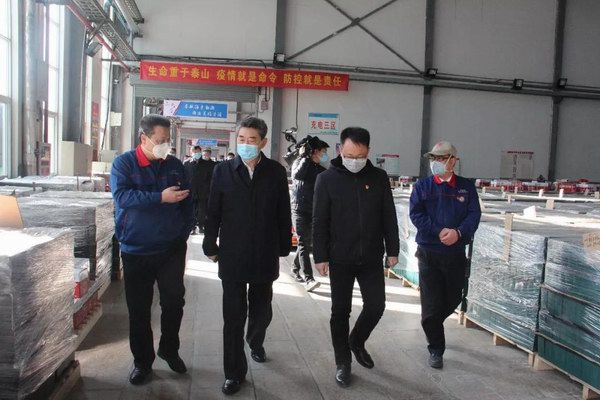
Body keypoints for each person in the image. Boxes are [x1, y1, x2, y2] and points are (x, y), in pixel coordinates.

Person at [203, 116, 292, 396]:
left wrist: (284, 245)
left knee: (261, 309)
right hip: (233, 252)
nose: (245, 144)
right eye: (241, 139)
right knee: (233, 315)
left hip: (265, 251)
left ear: (262, 142)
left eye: (251, 140)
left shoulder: (275, 172)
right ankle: (233, 373)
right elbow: (213, 210)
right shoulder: (223, 171)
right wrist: (209, 241)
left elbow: (283, 211)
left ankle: (255, 340)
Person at [110, 114, 194, 385]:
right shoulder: (124, 164)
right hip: (136, 249)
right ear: (143, 138)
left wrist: (183, 233)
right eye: (160, 140)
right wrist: (160, 197)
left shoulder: (175, 166)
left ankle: (169, 349)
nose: (165, 145)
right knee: (139, 309)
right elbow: (122, 197)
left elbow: (187, 202)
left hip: (171, 248)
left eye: (168, 140)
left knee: (174, 302)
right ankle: (142, 362)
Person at [313, 127, 399, 388]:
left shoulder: (379, 177)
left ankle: (357, 340)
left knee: (376, 306)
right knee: (340, 311)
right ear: (340, 149)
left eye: (360, 156)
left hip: (371, 256)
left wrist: (393, 249)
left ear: (368, 152)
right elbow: (319, 220)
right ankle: (343, 361)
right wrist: (320, 255)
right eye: (349, 155)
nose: (354, 160)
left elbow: (388, 215)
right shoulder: (326, 179)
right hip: (340, 257)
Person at [409, 141, 481, 369]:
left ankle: (432, 323)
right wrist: (438, 231)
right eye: (434, 158)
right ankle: (436, 349)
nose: (436, 162)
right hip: (429, 253)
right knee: (431, 305)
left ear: (453, 161)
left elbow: (474, 215)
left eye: (441, 158)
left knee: (453, 298)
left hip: (455, 253)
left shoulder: (466, 188)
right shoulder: (423, 186)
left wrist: (458, 233)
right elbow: (416, 214)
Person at [290, 136, 329, 291]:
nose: (325, 155)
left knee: (305, 242)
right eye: (323, 152)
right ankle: (309, 279)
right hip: (298, 209)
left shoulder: (320, 169)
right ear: (314, 152)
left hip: (313, 210)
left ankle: (294, 268)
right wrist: (305, 157)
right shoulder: (299, 163)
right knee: (303, 243)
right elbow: (298, 176)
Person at [183, 145, 215, 234]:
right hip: (190, 191)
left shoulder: (206, 164)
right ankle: (192, 227)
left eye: (197, 152)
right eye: (194, 152)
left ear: (200, 152)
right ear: (191, 152)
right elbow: (184, 177)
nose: (196, 153)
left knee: (202, 211)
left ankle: (201, 226)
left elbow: (211, 178)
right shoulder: (187, 164)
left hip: (203, 191)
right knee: (191, 211)